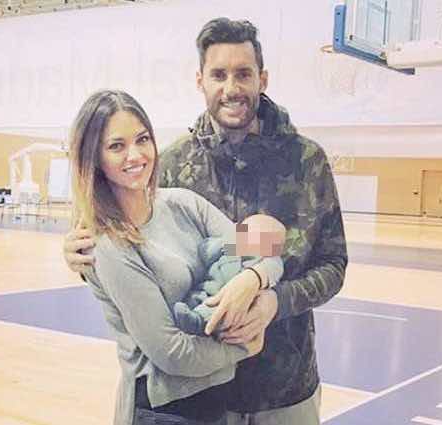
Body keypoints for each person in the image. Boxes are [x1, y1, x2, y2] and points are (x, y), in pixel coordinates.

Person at [65, 18, 348, 425]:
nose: (231, 88)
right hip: (199, 398)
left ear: (262, 79)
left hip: (284, 387)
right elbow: (130, 252)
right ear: (200, 81)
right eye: (218, 74)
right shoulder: (174, 164)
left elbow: (333, 265)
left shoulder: (306, 162)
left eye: (243, 74)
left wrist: (271, 299)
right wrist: (77, 255)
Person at [69, 89, 286, 425]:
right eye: (116, 146)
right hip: (162, 410)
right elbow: (172, 354)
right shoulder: (110, 245)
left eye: (142, 139)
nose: (135, 155)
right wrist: (245, 348)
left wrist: (253, 278)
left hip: (215, 398)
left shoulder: (184, 204)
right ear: (94, 158)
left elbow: (265, 253)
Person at [174, 214, 286, 336]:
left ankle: (197, 323)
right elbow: (205, 252)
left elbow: (275, 269)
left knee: (219, 313)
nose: (253, 242)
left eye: (264, 240)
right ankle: (186, 315)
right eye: (248, 233)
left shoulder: (263, 260)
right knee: (195, 297)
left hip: (237, 301)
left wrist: (258, 275)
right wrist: (225, 243)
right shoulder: (229, 246)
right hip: (208, 287)